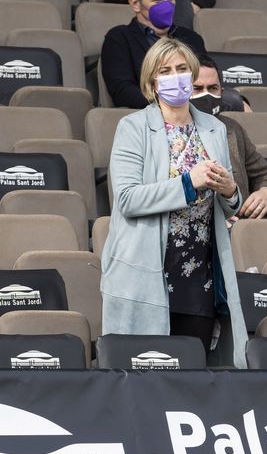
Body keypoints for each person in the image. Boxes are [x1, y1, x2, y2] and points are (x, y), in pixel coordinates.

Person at [100, 38, 249, 367]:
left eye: (182, 69)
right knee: (142, 378)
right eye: (165, 71)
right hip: (147, 273)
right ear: (152, 81)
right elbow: (126, 199)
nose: (175, 76)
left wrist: (229, 192)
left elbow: (229, 205)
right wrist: (187, 182)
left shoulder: (214, 128)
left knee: (192, 377)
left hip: (199, 276)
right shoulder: (133, 127)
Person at [192, 54, 267, 222]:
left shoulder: (232, 129)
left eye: (212, 88)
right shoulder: (168, 133)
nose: (206, 95)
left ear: (222, 92)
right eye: (197, 89)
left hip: (238, 230)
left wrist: (266, 192)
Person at [101, 0, 207, 109]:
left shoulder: (192, 39)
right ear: (135, 3)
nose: (167, 5)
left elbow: (207, 80)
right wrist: (169, 103)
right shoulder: (119, 39)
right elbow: (123, 91)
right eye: (158, 0)